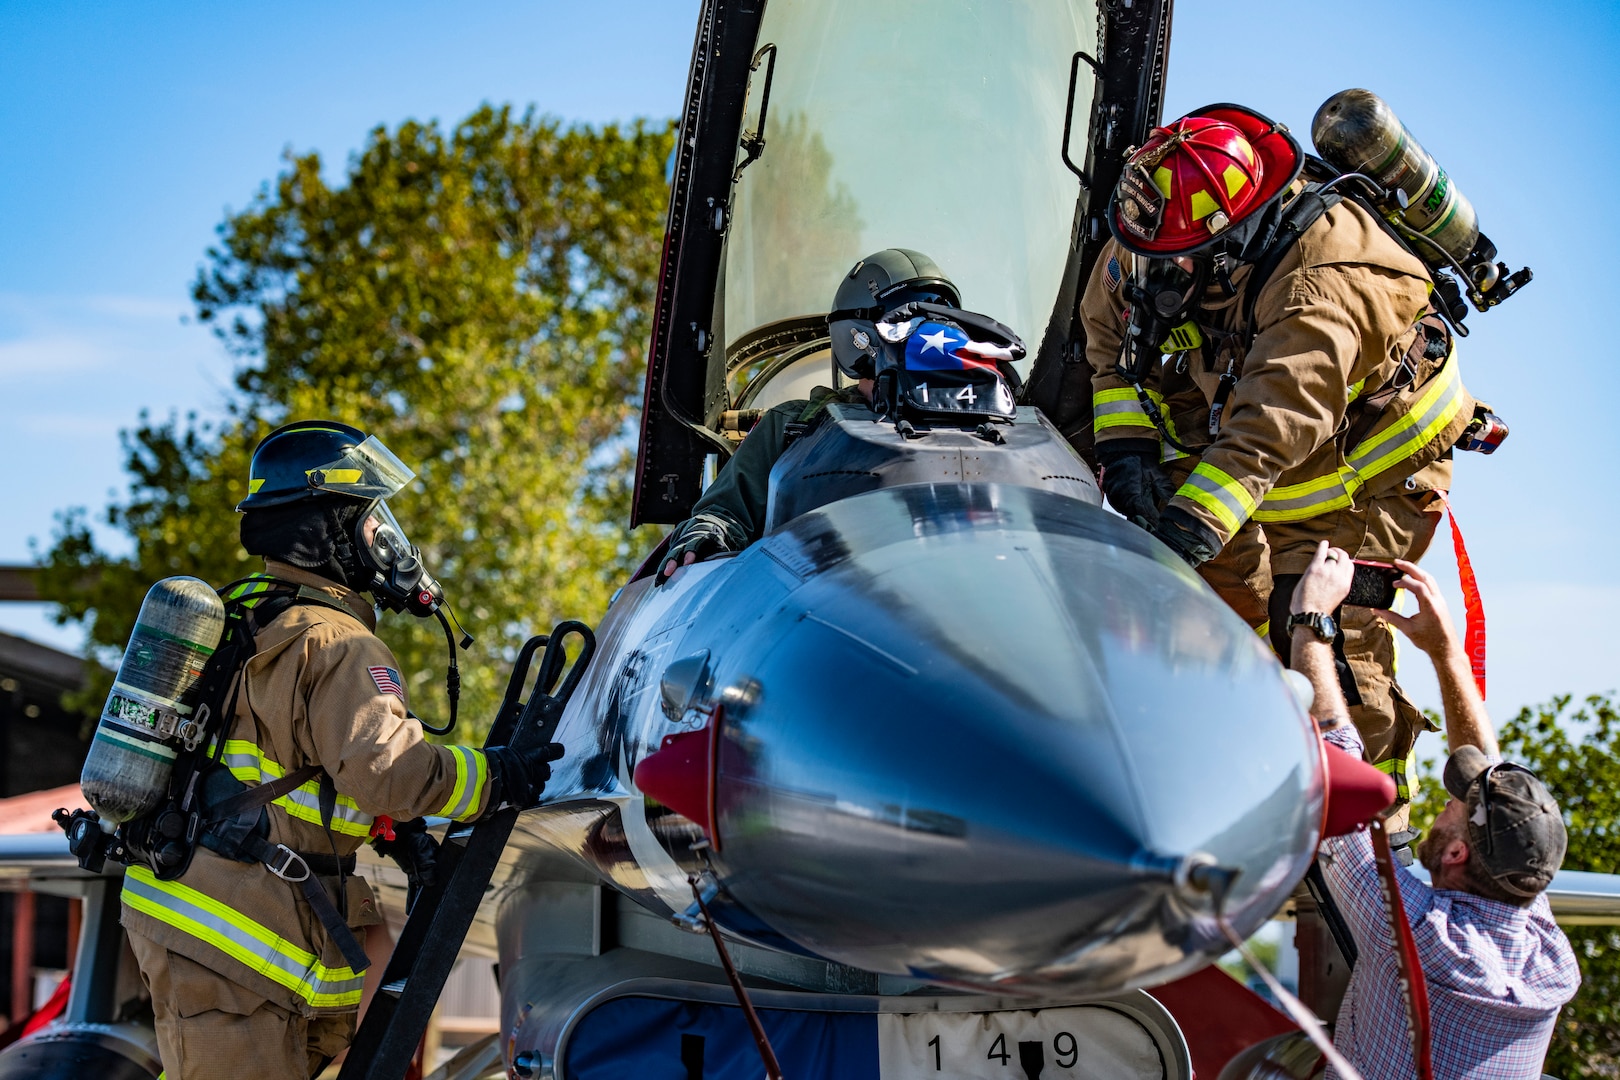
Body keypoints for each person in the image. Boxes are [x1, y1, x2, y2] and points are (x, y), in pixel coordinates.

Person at [120, 420, 564, 1080]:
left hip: (200, 913)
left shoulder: (245, 613)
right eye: (370, 516)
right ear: (328, 528)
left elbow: (278, 763)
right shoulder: (338, 642)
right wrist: (497, 775)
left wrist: (390, 829)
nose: (385, 537)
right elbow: (391, 773)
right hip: (238, 935)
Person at [1079, 104, 1481, 822]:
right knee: (1235, 613)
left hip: (1372, 469)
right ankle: (1246, 741)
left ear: (1232, 244)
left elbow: (1264, 437)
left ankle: (1369, 828)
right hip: (1266, 432)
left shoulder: (1321, 293)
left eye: (1165, 262)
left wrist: (1178, 541)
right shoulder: (1161, 227)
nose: (1140, 271)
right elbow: (1109, 331)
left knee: (1321, 634)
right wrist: (1126, 446)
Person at [1288, 541, 1579, 1078]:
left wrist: (1309, 618)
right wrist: (1446, 655)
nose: (1447, 803)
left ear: (1456, 851)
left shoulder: (1418, 936)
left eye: (1454, 807)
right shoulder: (1548, 957)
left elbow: (1333, 759)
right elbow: (1487, 774)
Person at [659, 248, 1019, 583]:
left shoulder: (1006, 419)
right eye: (908, 316)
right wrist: (704, 536)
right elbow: (723, 514)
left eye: (937, 313)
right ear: (857, 334)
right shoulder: (795, 426)